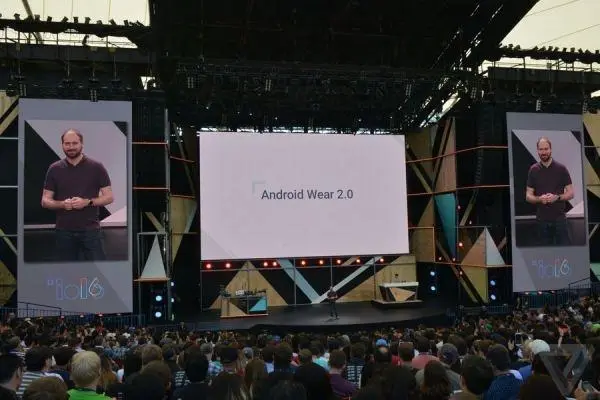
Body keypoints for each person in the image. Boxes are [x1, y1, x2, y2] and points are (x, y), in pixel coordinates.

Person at [41, 129, 114, 261]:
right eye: (67, 144)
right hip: (64, 232)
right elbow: (45, 201)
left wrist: (87, 202)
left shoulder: (96, 167)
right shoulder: (54, 169)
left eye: (74, 143)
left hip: (91, 232)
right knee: (67, 272)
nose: (71, 147)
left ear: (82, 144)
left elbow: (109, 197)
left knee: (100, 271)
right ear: (62, 145)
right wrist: (62, 204)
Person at [525, 137, 574, 246]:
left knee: (565, 252)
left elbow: (571, 193)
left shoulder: (561, 169)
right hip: (542, 222)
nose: (544, 152)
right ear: (537, 151)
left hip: (560, 221)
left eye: (546, 149)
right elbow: (528, 196)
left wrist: (557, 197)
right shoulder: (533, 170)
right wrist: (539, 199)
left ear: (550, 149)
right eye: (541, 149)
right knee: (545, 254)